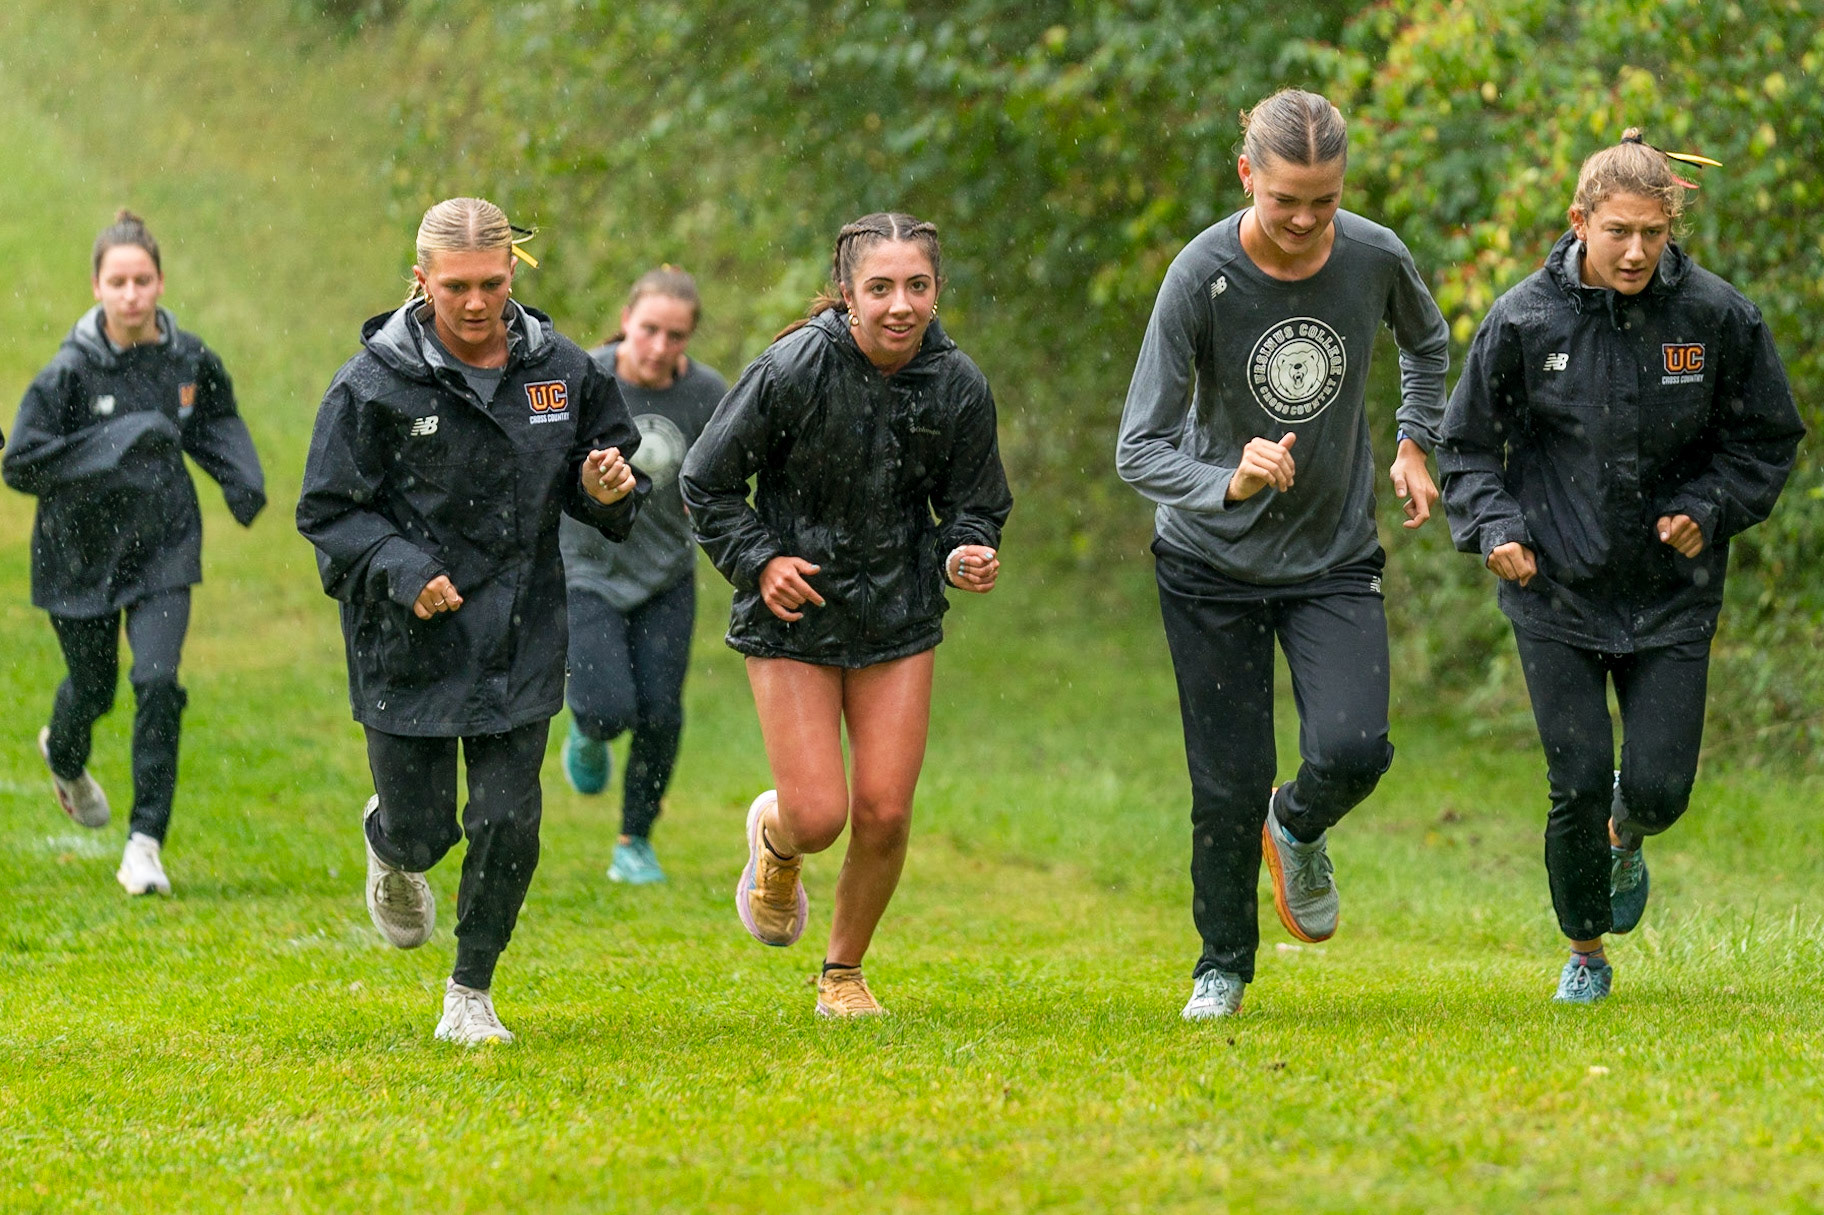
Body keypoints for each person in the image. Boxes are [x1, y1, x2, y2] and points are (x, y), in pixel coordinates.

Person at [1439, 130, 1804, 1003]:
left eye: (1652, 233)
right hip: (1553, 591)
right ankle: (1586, 952)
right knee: (1573, 782)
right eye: (1618, 232)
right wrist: (1495, 527)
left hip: (1672, 595)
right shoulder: (1522, 320)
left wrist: (1710, 508)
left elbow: (1766, 440)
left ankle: (1629, 829)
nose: (1636, 251)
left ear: (1671, 227)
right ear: (1580, 221)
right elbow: (1467, 448)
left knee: (1660, 787)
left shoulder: (1717, 317)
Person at [1116, 90, 1449, 1021]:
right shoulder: (1200, 275)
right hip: (1207, 565)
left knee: (1354, 747)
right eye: (1284, 200)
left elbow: (1427, 344)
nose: (1305, 221)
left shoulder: (1374, 256)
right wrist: (1228, 477)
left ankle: (1296, 824)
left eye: (1324, 201)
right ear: (1246, 176)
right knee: (1226, 781)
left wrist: (1414, 442)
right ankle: (1221, 964)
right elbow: (1139, 447)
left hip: (1332, 555)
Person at [297, 197, 646, 1045]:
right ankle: (391, 841)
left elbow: (605, 469)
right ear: (421, 281)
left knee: (508, 819)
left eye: (492, 282)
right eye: (456, 286)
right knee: (426, 831)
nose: (477, 301)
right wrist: (403, 571)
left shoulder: (562, 370)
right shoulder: (371, 384)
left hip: (520, 629)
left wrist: (605, 490)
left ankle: (470, 991)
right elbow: (329, 511)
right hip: (407, 639)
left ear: (512, 272)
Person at [681, 212, 1012, 1018]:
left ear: (937, 290)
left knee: (885, 811)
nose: (901, 305)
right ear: (847, 293)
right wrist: (760, 561)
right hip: (795, 613)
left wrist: (965, 551)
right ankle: (777, 834)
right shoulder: (794, 366)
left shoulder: (958, 384)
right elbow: (706, 480)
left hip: (899, 611)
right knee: (820, 815)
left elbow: (973, 505)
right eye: (881, 287)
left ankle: (842, 973)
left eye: (917, 286)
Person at [3, 210, 266, 896]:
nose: (130, 294)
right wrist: (123, 439)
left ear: (160, 283)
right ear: (96, 287)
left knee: (156, 681)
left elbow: (213, 416)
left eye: (142, 280)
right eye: (117, 282)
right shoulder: (68, 372)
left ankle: (144, 844)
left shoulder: (188, 358)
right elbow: (21, 463)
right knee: (92, 688)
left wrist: (241, 477)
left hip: (162, 546)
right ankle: (65, 758)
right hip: (77, 555)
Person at [559, 266, 728, 885]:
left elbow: (724, 471)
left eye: (675, 336)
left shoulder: (707, 393)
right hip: (585, 569)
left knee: (660, 714)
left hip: (664, 575)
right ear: (627, 319)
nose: (659, 347)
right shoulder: (582, 378)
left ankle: (635, 843)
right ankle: (587, 732)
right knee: (608, 710)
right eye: (650, 329)